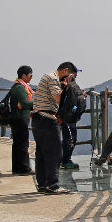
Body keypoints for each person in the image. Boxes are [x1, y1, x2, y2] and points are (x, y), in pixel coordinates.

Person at [32, 62, 76, 194]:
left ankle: (42, 184)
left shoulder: (48, 77)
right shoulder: (52, 78)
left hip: (38, 118)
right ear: (65, 71)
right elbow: (58, 98)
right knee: (55, 152)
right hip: (46, 118)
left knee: (41, 153)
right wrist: (67, 87)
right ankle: (53, 185)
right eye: (70, 76)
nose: (69, 79)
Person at [59, 71, 86, 170]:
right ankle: (65, 161)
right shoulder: (64, 86)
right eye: (74, 73)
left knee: (69, 139)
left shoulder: (69, 86)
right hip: (68, 118)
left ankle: (65, 160)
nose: (76, 75)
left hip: (69, 117)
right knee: (70, 139)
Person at [10, 66, 34, 175]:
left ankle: (17, 167)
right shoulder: (20, 88)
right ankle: (24, 168)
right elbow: (25, 103)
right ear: (23, 75)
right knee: (23, 143)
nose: (31, 78)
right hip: (20, 118)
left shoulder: (19, 86)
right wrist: (37, 103)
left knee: (17, 143)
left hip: (18, 118)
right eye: (30, 76)